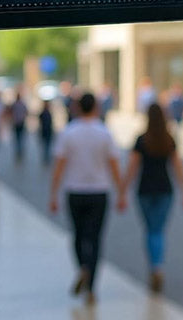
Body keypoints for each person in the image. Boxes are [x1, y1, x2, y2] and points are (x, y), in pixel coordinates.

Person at [49, 92, 126, 306]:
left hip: (75, 191)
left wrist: (53, 193)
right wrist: (121, 192)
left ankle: (82, 266)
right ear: (96, 108)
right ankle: (91, 284)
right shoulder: (104, 133)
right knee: (95, 238)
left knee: (78, 235)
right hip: (99, 192)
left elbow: (59, 167)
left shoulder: (68, 132)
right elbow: (114, 166)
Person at [123, 103, 183, 292]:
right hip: (165, 190)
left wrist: (122, 190)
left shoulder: (141, 140)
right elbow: (178, 167)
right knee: (158, 230)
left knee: (150, 230)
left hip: (144, 190)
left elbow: (132, 167)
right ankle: (157, 265)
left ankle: (153, 265)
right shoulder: (168, 139)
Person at [10, 92, 28, 162]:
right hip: (20, 123)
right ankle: (20, 151)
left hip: (17, 123)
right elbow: (26, 112)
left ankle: (19, 151)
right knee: (20, 138)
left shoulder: (14, 104)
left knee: (18, 138)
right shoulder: (22, 104)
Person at [39, 100, 54, 165]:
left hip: (46, 131)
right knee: (47, 145)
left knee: (46, 145)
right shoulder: (46, 113)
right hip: (46, 131)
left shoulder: (44, 113)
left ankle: (46, 157)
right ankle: (46, 157)